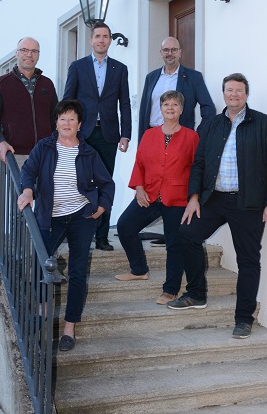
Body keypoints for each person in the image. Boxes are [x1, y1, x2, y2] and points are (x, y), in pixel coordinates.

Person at [167, 73, 267, 340]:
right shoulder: (210, 125)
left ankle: (244, 318)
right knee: (187, 234)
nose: (234, 95)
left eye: (239, 91)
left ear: (247, 94)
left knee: (248, 260)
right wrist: (194, 197)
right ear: (223, 94)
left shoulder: (263, 124)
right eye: (229, 90)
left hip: (249, 202)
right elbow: (198, 164)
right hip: (215, 198)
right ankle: (197, 293)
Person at [18, 99, 115, 351]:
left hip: (81, 217)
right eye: (62, 118)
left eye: (72, 119)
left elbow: (107, 184)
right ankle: (42, 313)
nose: (67, 123)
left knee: (77, 272)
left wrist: (101, 207)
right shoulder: (44, 147)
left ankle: (69, 328)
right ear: (56, 122)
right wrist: (28, 190)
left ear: (79, 124)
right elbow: (28, 170)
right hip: (50, 218)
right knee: (41, 265)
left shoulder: (88, 152)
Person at [115, 91, 199, 305]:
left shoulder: (192, 136)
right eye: (166, 104)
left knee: (174, 244)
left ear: (182, 109)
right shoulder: (149, 135)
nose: (170, 108)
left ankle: (170, 290)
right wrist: (139, 188)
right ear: (160, 108)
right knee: (125, 226)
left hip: (178, 197)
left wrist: (194, 198)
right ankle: (139, 269)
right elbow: (139, 162)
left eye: (175, 104)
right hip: (149, 194)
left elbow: (198, 169)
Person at [138, 36, 215, 247]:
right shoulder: (151, 77)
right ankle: (156, 225)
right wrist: (141, 140)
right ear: (160, 53)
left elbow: (208, 109)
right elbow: (145, 110)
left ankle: (171, 231)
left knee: (176, 187)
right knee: (151, 184)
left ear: (180, 52)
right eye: (166, 50)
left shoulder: (193, 77)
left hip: (179, 137)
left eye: (174, 50)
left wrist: (196, 134)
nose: (170, 53)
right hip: (153, 135)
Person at [63, 21, 132, 251]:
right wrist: (67, 131)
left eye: (105, 36)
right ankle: (79, 231)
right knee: (79, 182)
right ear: (91, 40)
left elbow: (125, 104)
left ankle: (102, 237)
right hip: (83, 134)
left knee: (105, 183)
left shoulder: (120, 69)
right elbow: (68, 101)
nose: (101, 40)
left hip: (109, 135)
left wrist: (126, 135)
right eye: (97, 36)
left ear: (110, 41)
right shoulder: (78, 66)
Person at [0, 37, 58, 166]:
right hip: (15, 155)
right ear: (16, 53)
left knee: (45, 187)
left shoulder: (47, 84)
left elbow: (55, 119)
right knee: (19, 187)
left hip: (45, 153)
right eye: (24, 50)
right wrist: (0, 141)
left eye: (34, 51)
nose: (29, 54)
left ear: (38, 55)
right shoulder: (2, 84)